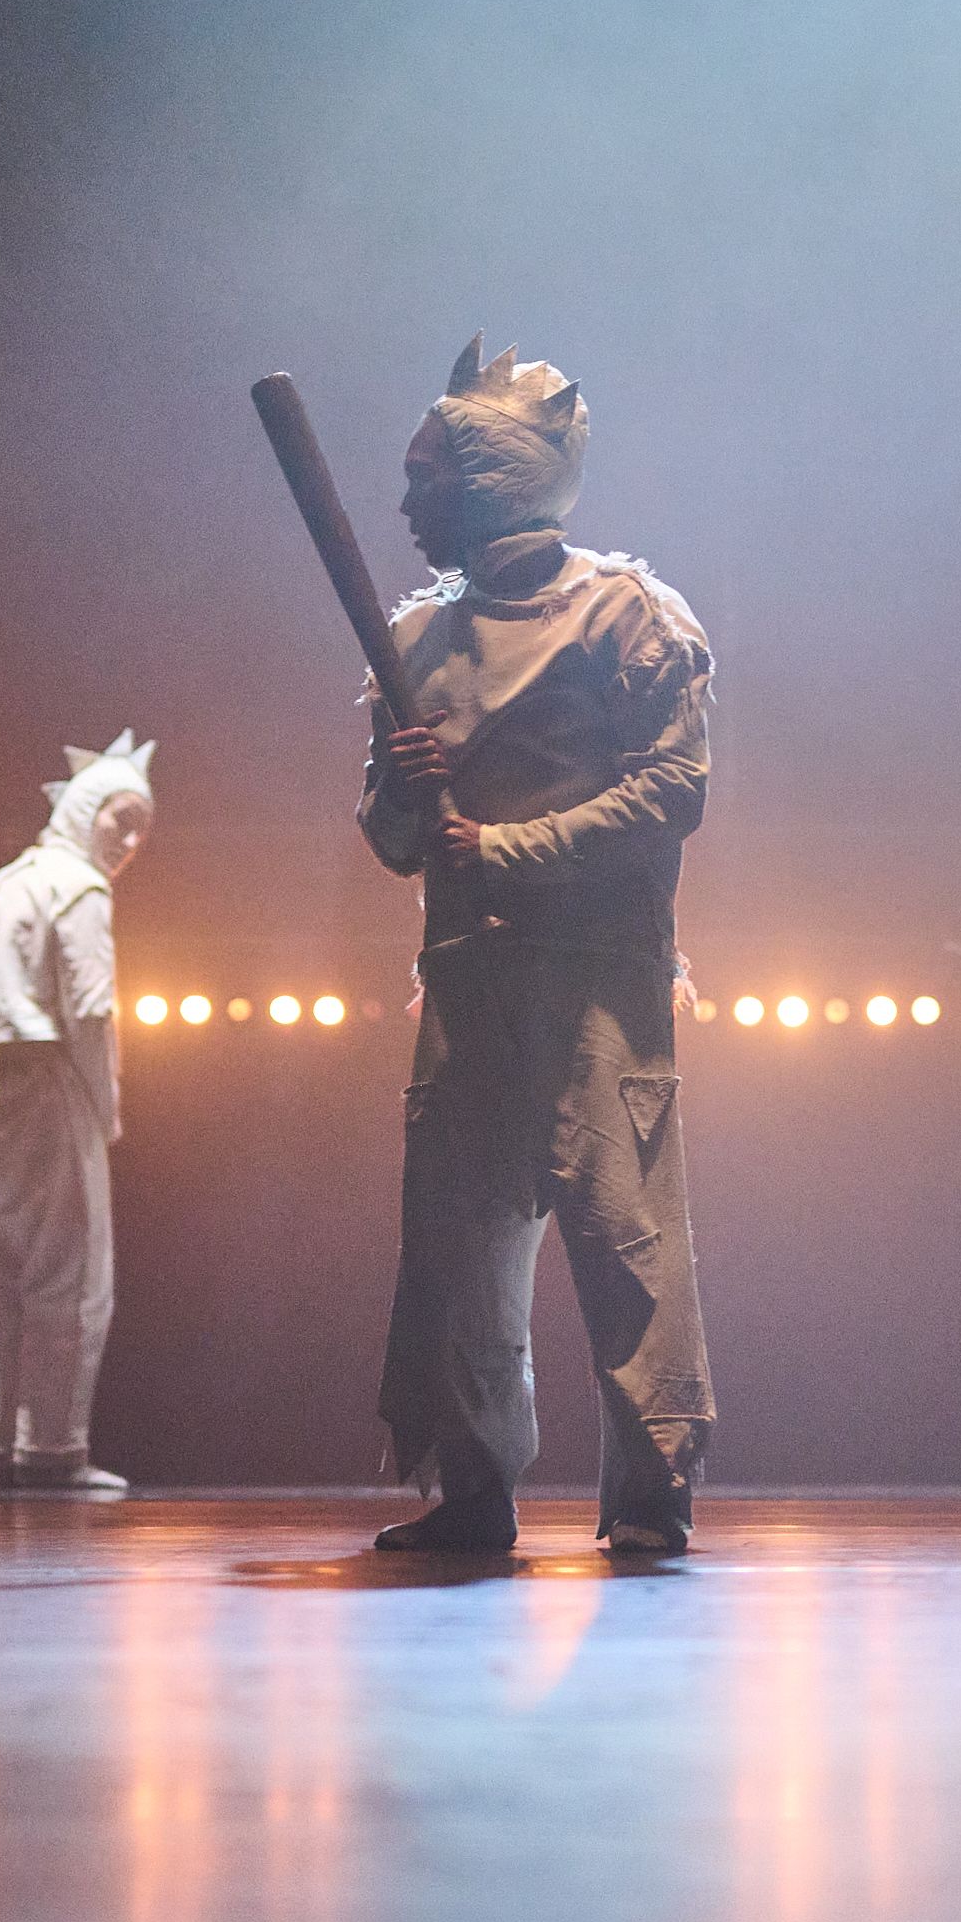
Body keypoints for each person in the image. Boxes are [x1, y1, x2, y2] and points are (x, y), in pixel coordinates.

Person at [358, 339, 716, 1559]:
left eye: (425, 480)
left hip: (599, 984)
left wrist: (500, 849)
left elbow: (672, 793)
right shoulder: (413, 645)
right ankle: (471, 1486)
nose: (406, 506)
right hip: (468, 987)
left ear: (490, 483)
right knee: (459, 1243)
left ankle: (652, 1495)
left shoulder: (630, 619)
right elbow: (391, 841)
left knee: (624, 1236)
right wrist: (409, 799)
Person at [0, 733, 154, 1493]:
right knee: (70, 1278)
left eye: (139, 829)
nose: (127, 841)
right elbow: (90, 1010)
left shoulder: (7, 882)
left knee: (8, 1284)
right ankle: (53, 1450)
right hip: (45, 1087)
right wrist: (104, 1107)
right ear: (86, 810)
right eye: (120, 820)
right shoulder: (77, 888)